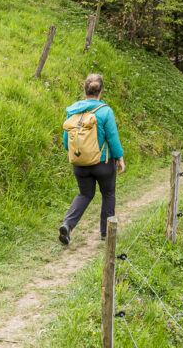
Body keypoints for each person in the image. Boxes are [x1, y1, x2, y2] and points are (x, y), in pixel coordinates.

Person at [59, 73, 125, 245]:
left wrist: (69, 152)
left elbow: (67, 139)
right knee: (108, 193)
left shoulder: (73, 110)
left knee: (85, 194)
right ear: (100, 90)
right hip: (102, 164)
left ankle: (67, 224)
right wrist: (120, 157)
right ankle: (106, 234)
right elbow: (112, 137)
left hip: (80, 163)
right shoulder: (105, 111)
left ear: (85, 89)